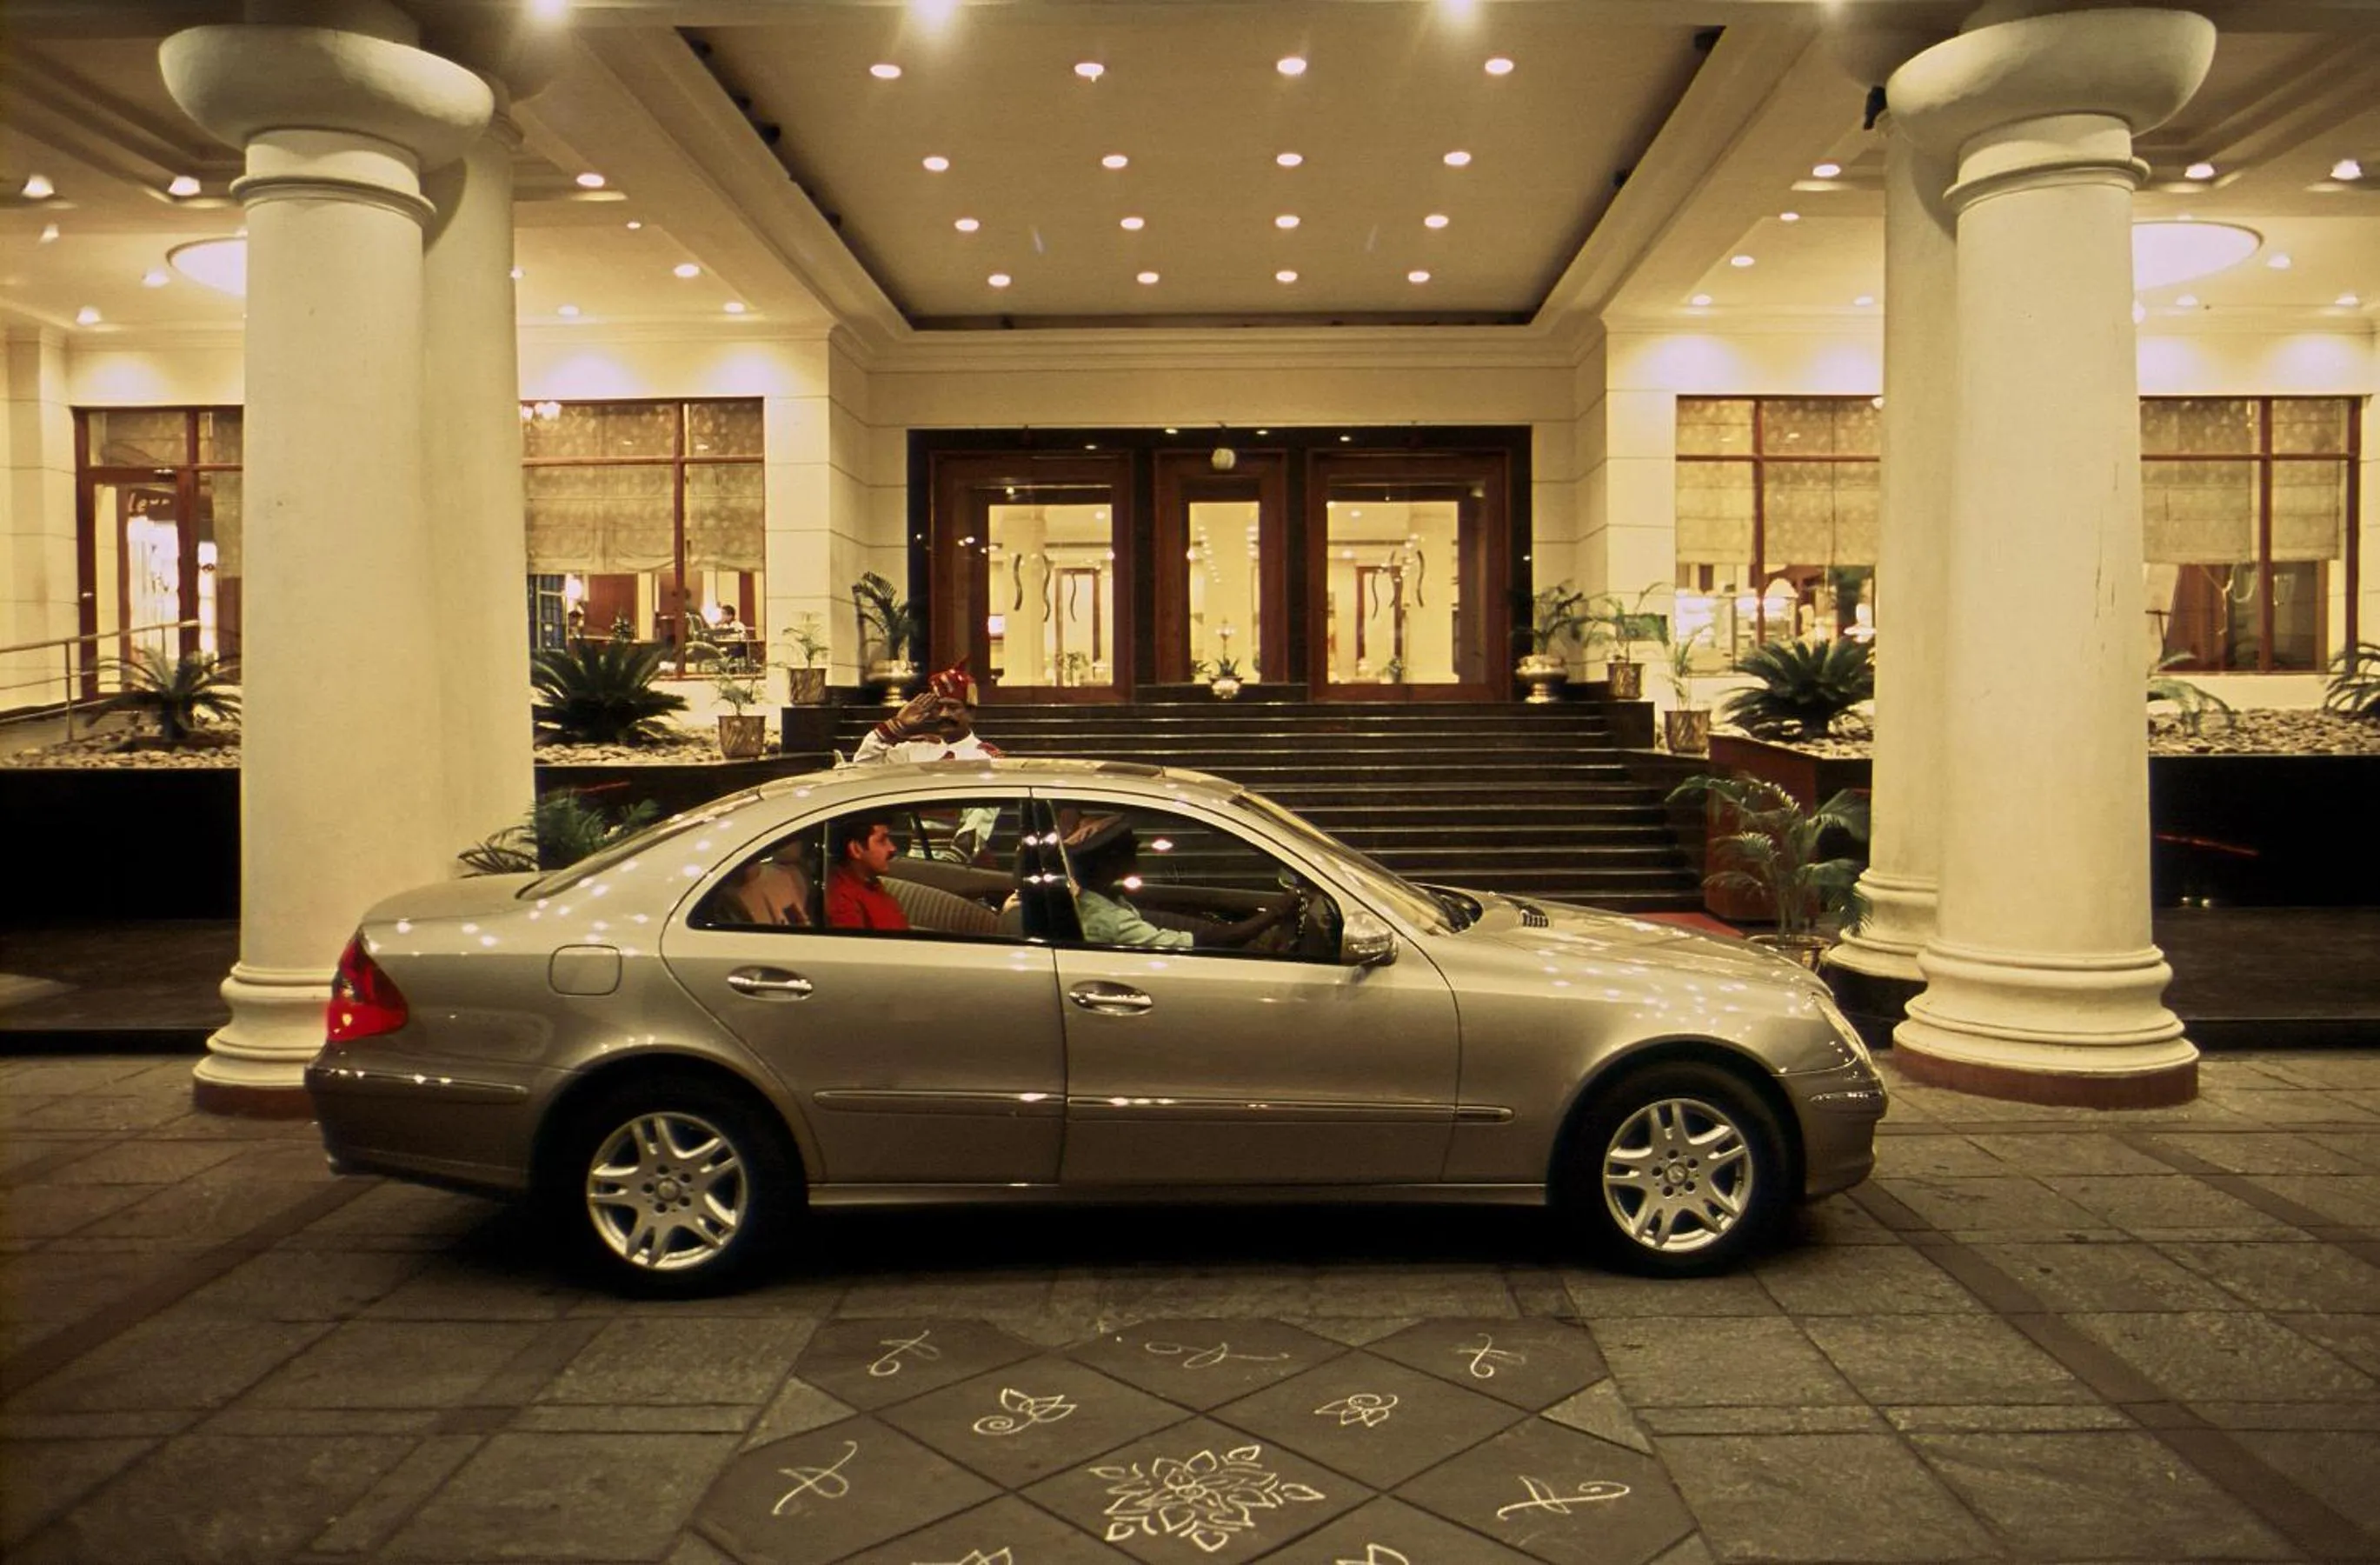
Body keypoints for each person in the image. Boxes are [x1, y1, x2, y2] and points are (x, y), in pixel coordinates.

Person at [1064, 816, 1298, 951]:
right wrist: (1275, 912)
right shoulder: (1106, 919)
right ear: (1109, 865)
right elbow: (1198, 943)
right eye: (1130, 855)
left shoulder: (1106, 901)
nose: (1137, 861)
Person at [850, 660, 1002, 856]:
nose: (944, 714)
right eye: (938, 708)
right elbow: (863, 766)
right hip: (917, 861)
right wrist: (897, 724)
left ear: (971, 712)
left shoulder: (986, 757)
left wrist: (951, 864)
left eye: (952, 707)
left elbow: (980, 819)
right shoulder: (917, 750)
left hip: (964, 865)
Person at [825, 814, 910, 930]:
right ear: (856, 849)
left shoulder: (868, 883)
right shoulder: (843, 902)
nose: (892, 848)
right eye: (882, 841)